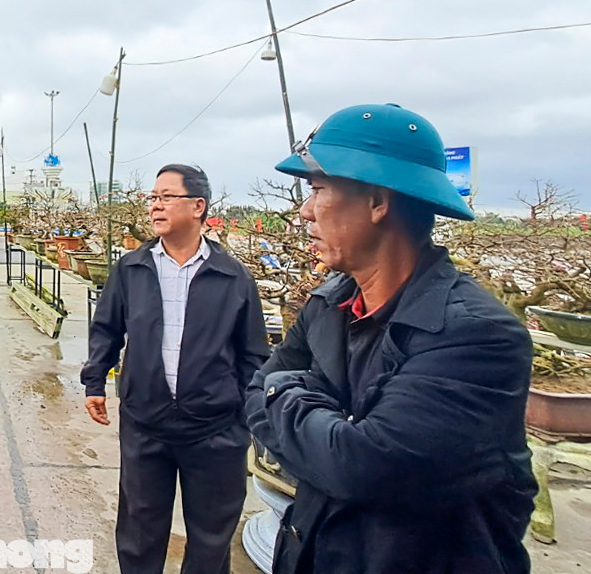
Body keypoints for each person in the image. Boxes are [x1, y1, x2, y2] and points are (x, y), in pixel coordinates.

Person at [244, 103, 537, 574]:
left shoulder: (479, 337)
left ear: (379, 202)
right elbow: (256, 389)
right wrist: (318, 412)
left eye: (317, 189)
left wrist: (291, 394)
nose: (302, 212)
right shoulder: (330, 304)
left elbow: (358, 467)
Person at [82, 164, 270, 574]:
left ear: (198, 206)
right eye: (153, 197)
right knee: (139, 533)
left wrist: (241, 412)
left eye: (167, 196)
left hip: (215, 429)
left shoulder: (233, 276)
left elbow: (253, 353)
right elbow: (107, 328)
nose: (155, 205)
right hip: (145, 422)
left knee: (210, 537)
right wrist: (94, 380)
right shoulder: (132, 268)